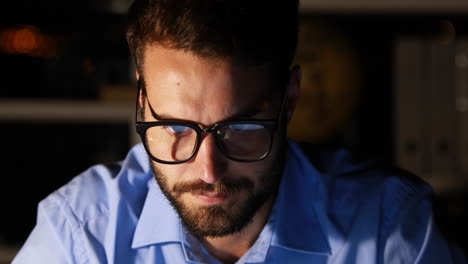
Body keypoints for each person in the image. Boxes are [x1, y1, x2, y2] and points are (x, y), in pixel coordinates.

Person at [13, 0, 466, 263]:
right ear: (140, 99)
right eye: (174, 126)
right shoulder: (80, 237)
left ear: (289, 99)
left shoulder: (390, 231)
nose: (208, 169)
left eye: (241, 126)